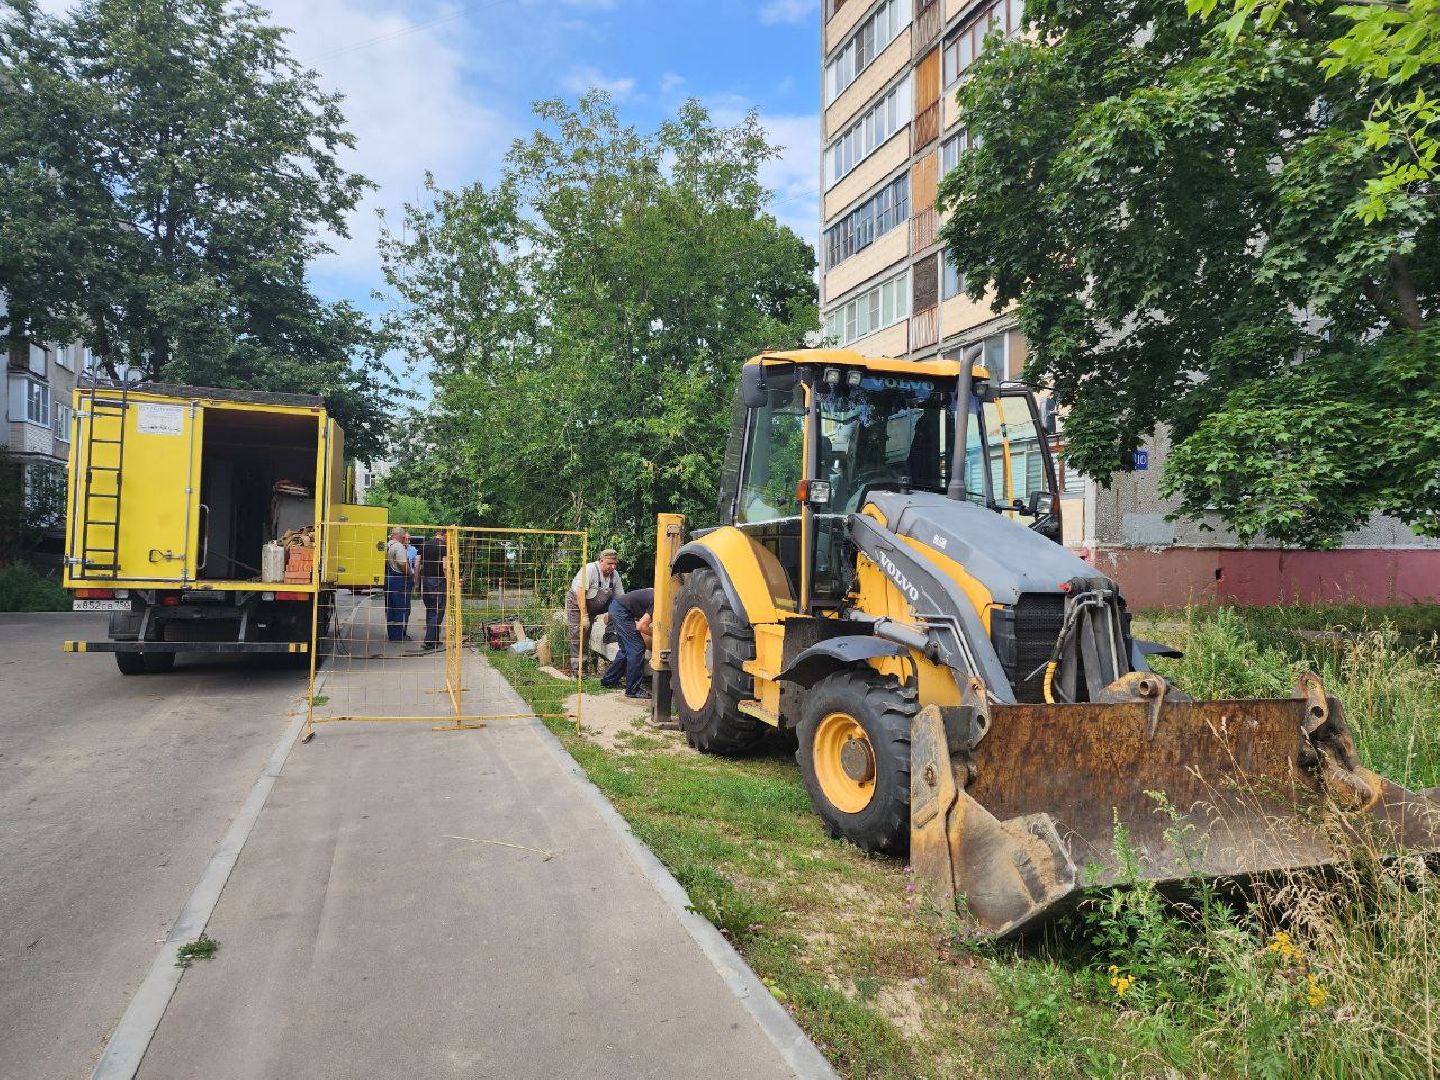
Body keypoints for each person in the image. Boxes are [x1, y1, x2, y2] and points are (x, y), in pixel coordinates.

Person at [566, 549, 623, 674]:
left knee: (619, 604)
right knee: (579, 635)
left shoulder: (615, 575)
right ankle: (579, 671)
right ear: (601, 561)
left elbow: (621, 598)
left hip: (595, 605)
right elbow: (580, 594)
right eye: (609, 564)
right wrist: (584, 616)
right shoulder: (590, 569)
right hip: (577, 603)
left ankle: (609, 634)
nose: (613, 567)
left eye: (615, 564)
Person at [601, 587, 654, 699]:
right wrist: (658, 635)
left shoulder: (658, 595)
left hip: (617, 607)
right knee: (637, 648)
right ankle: (633, 690)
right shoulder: (658, 601)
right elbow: (641, 626)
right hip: (621, 611)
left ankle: (609, 680)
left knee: (625, 650)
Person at [416, 532, 448, 651]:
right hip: (438, 581)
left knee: (430, 609)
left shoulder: (424, 545)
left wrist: (417, 583)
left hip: (426, 580)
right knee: (438, 610)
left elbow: (417, 565)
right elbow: (445, 567)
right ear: (444, 534)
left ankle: (434, 639)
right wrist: (450, 583)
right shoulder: (443, 546)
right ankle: (429, 641)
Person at [384, 527, 412, 642]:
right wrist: (409, 573)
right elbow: (402, 564)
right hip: (399, 580)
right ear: (400, 536)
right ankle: (399, 635)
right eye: (404, 536)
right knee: (401, 608)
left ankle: (392, 634)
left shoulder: (387, 546)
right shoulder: (399, 547)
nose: (405, 538)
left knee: (391, 608)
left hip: (389, 579)